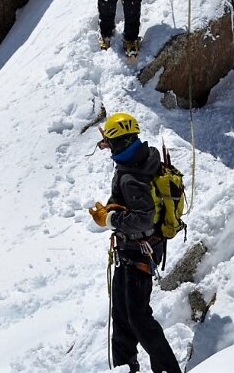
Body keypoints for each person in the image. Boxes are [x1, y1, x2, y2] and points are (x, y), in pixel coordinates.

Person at [89, 112, 183, 373]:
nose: (108, 148)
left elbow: (143, 219)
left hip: (137, 254)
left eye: (111, 143)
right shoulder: (143, 160)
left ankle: (166, 370)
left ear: (122, 143)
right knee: (122, 316)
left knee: (137, 319)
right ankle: (125, 367)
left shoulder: (132, 177)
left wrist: (110, 220)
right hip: (138, 252)